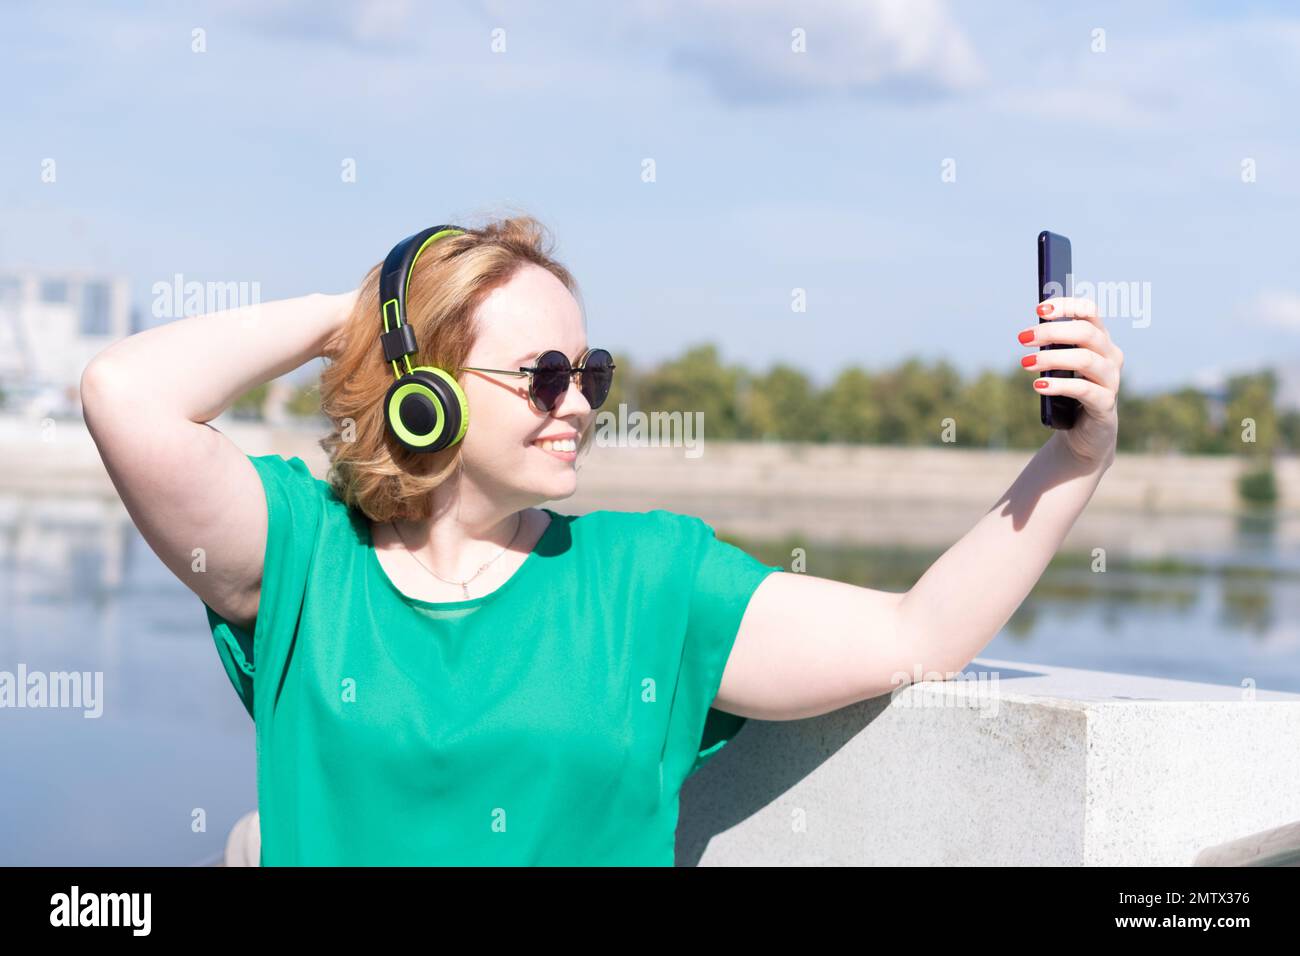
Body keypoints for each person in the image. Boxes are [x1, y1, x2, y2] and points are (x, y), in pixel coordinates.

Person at [80, 214, 1122, 866]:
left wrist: (1075, 459)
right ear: (422, 396)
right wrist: (356, 313)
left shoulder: (651, 578)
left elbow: (919, 629)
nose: (577, 403)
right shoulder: (304, 556)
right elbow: (124, 394)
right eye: (542, 374)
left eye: (593, 373)